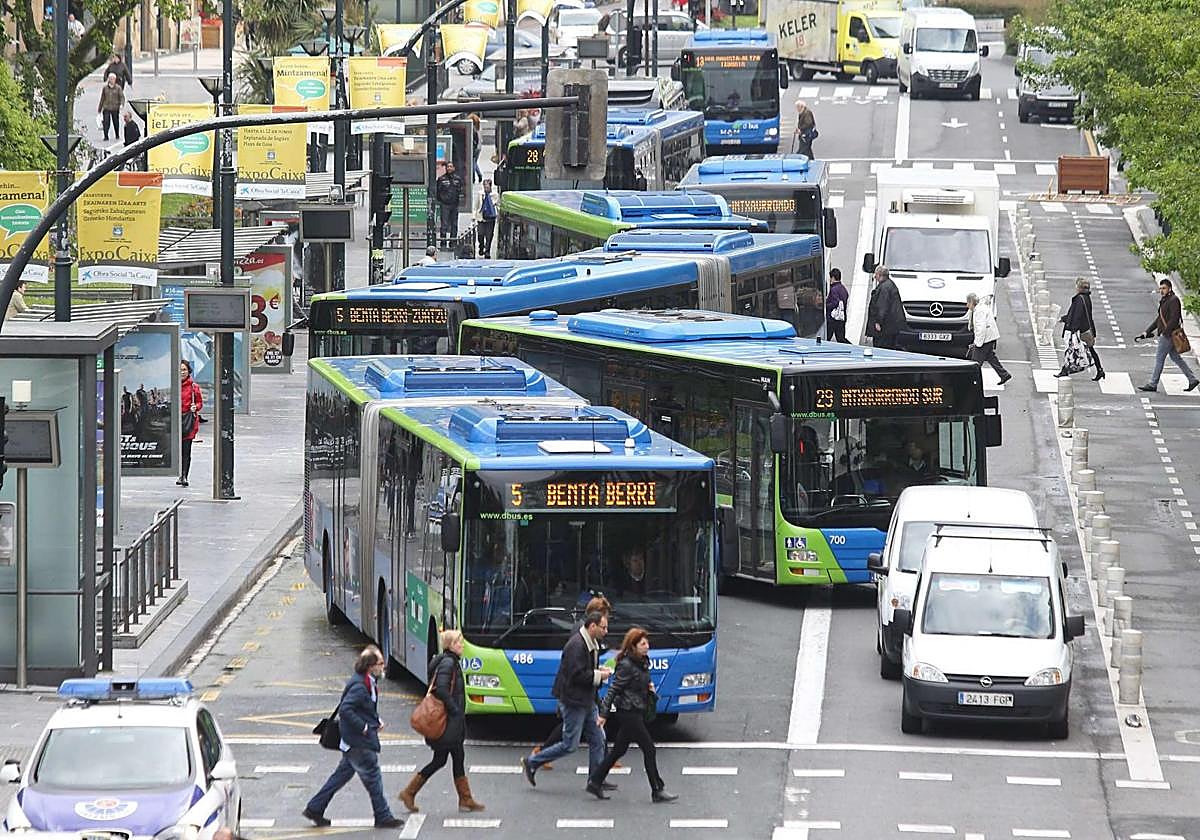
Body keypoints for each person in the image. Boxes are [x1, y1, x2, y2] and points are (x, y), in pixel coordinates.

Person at [304, 646, 404, 829]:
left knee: (340, 777)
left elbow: (363, 708)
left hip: (353, 741)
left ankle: (314, 808)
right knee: (373, 777)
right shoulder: (360, 685)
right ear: (370, 666)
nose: (384, 667)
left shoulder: (366, 681)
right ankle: (383, 816)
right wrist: (365, 727)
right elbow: (346, 709)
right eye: (381, 663)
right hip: (359, 742)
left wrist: (375, 720)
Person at [521, 611, 612, 789]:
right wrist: (599, 675)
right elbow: (576, 675)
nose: (606, 631)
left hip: (587, 700)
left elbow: (584, 669)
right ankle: (532, 762)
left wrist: (598, 670)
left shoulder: (591, 642)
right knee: (569, 745)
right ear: (592, 626)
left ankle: (595, 780)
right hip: (574, 701)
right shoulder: (576, 645)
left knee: (598, 740)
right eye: (604, 627)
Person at [397, 630, 484, 814]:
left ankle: (464, 799)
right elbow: (442, 690)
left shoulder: (450, 662)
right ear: (451, 646)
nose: (462, 645)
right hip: (447, 722)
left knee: (451, 758)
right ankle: (409, 792)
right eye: (459, 643)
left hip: (451, 722)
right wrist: (455, 710)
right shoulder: (447, 663)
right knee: (443, 759)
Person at [586, 628, 677, 803]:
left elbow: (636, 683)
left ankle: (595, 781)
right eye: (643, 644)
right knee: (649, 749)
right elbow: (614, 689)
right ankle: (657, 790)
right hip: (628, 712)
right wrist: (604, 714)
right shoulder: (627, 665)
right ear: (633, 646)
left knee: (619, 750)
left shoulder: (641, 661)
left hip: (636, 710)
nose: (647, 646)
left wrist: (648, 689)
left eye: (647, 643)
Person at [1137, 278, 1199, 393]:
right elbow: (1159, 319)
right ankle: (1192, 379)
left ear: (1169, 288)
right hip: (1168, 335)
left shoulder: (1174, 300)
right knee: (1176, 358)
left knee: (1159, 359)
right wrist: (1147, 331)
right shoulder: (1165, 300)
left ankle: (1153, 383)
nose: (1161, 290)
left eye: (1164, 288)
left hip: (1168, 335)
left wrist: (1165, 333)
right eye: (1160, 288)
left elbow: (1174, 319)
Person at [1057, 277, 1103, 381]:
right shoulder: (1086, 298)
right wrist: (1064, 318)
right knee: (1090, 350)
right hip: (1088, 329)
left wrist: (1073, 330)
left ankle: (1065, 371)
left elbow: (1076, 315)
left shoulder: (1079, 299)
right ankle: (1100, 370)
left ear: (1079, 287)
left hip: (1081, 331)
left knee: (1070, 350)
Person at [965, 292, 1011, 385]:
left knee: (976, 362)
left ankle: (971, 381)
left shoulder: (979, 311)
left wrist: (977, 343)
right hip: (990, 337)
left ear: (972, 302)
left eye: (968, 303)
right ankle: (1004, 374)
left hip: (986, 339)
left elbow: (981, 329)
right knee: (990, 357)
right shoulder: (978, 308)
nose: (967, 305)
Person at [866, 265, 903, 349]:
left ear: (879, 275)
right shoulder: (889, 285)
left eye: (876, 275)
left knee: (881, 347)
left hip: (885, 327)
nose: (875, 277)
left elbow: (882, 306)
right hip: (892, 326)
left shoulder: (884, 288)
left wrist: (878, 322)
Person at [178, 361, 203, 487]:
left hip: (188, 422)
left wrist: (195, 407)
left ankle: (184, 475)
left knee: (186, 450)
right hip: (175, 422)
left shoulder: (194, 387)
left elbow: (200, 403)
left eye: (184, 370)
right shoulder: (173, 386)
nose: (182, 372)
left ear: (188, 371)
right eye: (180, 370)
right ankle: (179, 473)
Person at [435, 163, 465, 250]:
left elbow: (460, 190)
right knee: (444, 224)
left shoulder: (458, 179)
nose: (449, 168)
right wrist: (442, 199)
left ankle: (453, 242)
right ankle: (443, 243)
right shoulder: (441, 179)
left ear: (454, 168)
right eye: (448, 167)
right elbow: (438, 192)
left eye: (451, 166)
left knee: (454, 224)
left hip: (454, 205)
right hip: (445, 204)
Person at [825, 268, 849, 343]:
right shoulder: (843, 288)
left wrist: (826, 305)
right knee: (841, 338)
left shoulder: (834, 289)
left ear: (833, 278)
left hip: (833, 319)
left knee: (827, 338)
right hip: (842, 317)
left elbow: (835, 303)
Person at [98, 73, 124, 142]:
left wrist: (121, 104)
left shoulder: (118, 88)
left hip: (115, 108)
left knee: (115, 122)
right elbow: (102, 98)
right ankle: (106, 136)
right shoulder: (105, 88)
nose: (111, 80)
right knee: (106, 122)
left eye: (113, 79)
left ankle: (117, 134)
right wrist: (99, 109)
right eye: (110, 79)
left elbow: (121, 97)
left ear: (115, 80)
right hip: (106, 107)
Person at [477, 179, 497, 257]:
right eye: (484, 186)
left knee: (489, 235)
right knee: (480, 234)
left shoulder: (494, 195)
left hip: (491, 218)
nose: (486, 188)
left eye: (487, 186)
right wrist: (474, 217)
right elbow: (476, 206)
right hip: (481, 218)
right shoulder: (480, 194)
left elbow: (496, 205)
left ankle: (487, 251)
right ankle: (481, 246)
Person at [469, 113, 483, 183]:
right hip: (479, 147)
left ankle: (473, 177)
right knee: (475, 162)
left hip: (474, 147)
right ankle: (479, 174)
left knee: (472, 162)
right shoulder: (478, 126)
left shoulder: (473, 129)